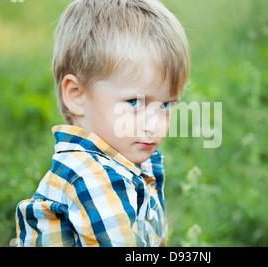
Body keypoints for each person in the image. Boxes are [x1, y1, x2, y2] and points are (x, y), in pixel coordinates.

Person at [15, 0, 190, 247]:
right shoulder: (94, 178)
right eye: (134, 102)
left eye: (165, 105)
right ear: (76, 95)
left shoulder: (124, 162)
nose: (155, 125)